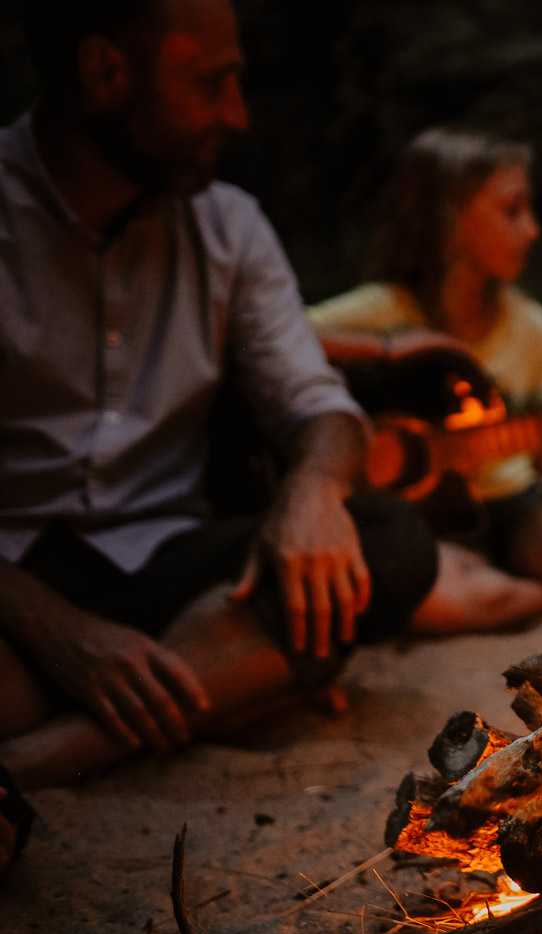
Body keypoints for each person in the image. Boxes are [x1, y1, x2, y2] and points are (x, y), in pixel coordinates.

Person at [0, 0, 444, 870]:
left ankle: (43, 755)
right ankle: (226, 685)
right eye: (212, 84)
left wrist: (312, 490)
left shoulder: (228, 224)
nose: (238, 115)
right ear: (103, 73)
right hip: (13, 577)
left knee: (384, 545)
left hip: (169, 559)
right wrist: (60, 630)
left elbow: (314, 402)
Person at [308, 124, 542, 633]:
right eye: (512, 210)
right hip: (409, 521)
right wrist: (394, 346)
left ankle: (519, 578)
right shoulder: (382, 312)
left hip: (509, 506)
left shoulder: (532, 327)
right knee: (407, 599)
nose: (532, 230)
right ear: (448, 219)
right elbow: (265, 333)